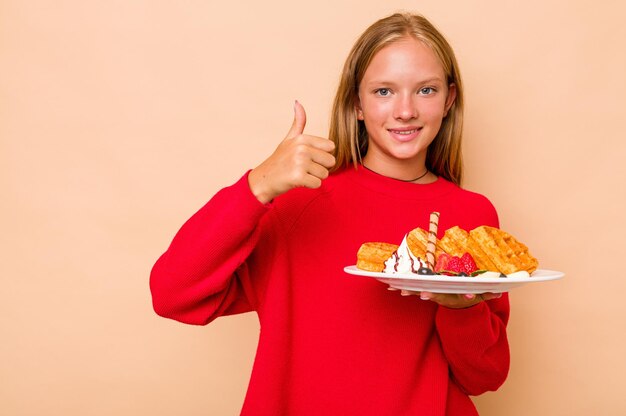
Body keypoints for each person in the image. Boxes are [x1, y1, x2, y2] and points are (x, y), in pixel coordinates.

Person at [150, 12, 509, 415]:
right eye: (384, 91)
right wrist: (257, 185)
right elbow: (172, 295)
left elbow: (485, 378)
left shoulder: (472, 216)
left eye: (425, 90)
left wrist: (463, 309)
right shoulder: (299, 202)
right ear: (357, 103)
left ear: (449, 100)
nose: (405, 110)